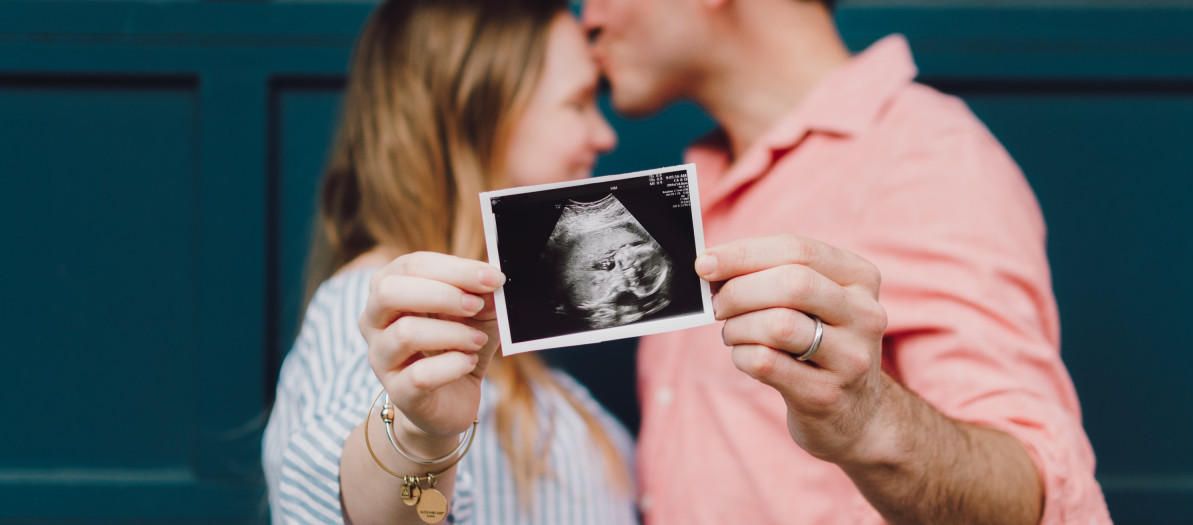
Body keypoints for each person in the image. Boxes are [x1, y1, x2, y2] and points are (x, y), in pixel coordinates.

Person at [582, 0, 1112, 523]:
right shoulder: (698, 183)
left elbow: (1032, 494)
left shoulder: (926, 158)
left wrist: (868, 420)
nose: (590, 18)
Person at [262, 0, 637, 523]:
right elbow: (350, 502)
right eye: (577, 103)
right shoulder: (384, 311)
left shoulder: (496, 333)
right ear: (476, 114)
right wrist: (421, 433)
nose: (605, 135)